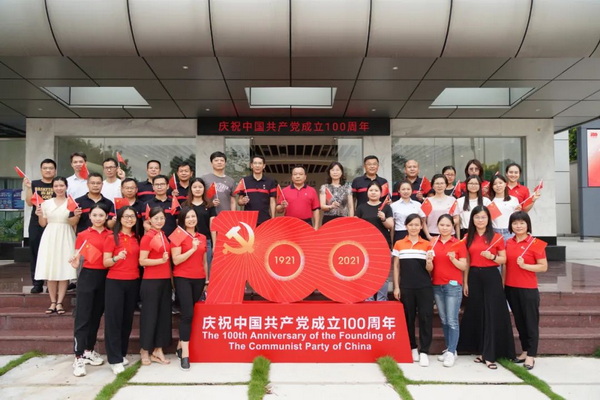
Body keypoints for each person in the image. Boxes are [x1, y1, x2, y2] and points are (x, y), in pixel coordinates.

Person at [458, 205, 515, 369]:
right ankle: (481, 350)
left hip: (491, 276)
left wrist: (492, 257)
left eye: (483, 217)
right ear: (472, 219)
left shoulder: (496, 237)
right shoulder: (468, 237)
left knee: (491, 313)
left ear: (489, 219)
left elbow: (504, 260)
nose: (480, 220)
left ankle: (490, 355)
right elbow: (467, 261)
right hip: (474, 276)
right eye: (477, 217)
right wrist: (465, 282)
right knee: (478, 313)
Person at [69, 203, 111, 377]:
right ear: (90, 217)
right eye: (95, 215)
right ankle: (78, 356)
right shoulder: (83, 235)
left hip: (106, 277)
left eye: (101, 215)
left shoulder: (111, 235)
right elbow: (77, 255)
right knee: (83, 316)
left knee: (96, 315)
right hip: (88, 276)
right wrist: (75, 261)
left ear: (106, 217)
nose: (98, 218)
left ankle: (89, 350)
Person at [505, 211, 548, 371]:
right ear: (511, 226)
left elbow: (543, 267)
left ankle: (531, 355)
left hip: (528, 288)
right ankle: (524, 350)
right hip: (510, 287)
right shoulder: (508, 242)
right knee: (519, 321)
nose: (518, 226)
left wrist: (525, 266)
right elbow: (505, 266)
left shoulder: (535, 243)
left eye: (522, 223)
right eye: (515, 223)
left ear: (527, 225)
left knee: (530, 322)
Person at [392, 213, 433, 367]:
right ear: (406, 226)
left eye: (417, 224)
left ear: (421, 226)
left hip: (424, 286)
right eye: (411, 225)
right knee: (408, 318)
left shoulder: (427, 244)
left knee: (425, 318)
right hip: (406, 286)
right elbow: (396, 266)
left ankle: (424, 351)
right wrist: (396, 286)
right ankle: (413, 347)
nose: (414, 227)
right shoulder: (399, 244)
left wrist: (429, 261)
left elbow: (430, 269)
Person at [103, 206, 140, 375]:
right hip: (115, 282)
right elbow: (105, 262)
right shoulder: (112, 237)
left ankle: (122, 353)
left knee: (127, 320)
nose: (129, 219)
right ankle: (114, 359)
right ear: (120, 219)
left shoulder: (137, 237)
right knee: (114, 321)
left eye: (132, 216)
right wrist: (116, 258)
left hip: (133, 281)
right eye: (126, 216)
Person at [171, 207, 208, 371]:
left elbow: (204, 261)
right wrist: (192, 249)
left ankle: (180, 346)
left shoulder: (202, 237)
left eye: (193, 216)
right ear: (182, 220)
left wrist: (206, 279)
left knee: (190, 312)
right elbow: (176, 260)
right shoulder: (177, 235)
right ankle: (185, 355)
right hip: (183, 278)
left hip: (199, 279)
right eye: (188, 217)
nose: (191, 219)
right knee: (187, 314)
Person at [34, 177, 77, 314]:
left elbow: (74, 223)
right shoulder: (46, 203)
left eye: (61, 185)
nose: (59, 188)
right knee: (51, 269)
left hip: (66, 235)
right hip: (50, 235)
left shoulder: (72, 203)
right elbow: (43, 223)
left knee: (64, 269)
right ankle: (52, 301)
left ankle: (60, 303)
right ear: (53, 187)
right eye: (56, 186)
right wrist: (39, 214)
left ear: (66, 187)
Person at [430, 214, 468, 367]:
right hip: (437, 285)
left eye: (447, 225)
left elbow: (463, 266)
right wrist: (428, 260)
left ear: (452, 227)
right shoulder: (433, 242)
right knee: (444, 319)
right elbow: (430, 266)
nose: (444, 228)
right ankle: (449, 349)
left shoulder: (458, 244)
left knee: (452, 320)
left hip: (453, 285)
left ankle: (452, 351)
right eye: (442, 225)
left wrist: (453, 259)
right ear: (437, 226)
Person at [138, 207, 172, 366]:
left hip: (165, 280)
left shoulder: (163, 235)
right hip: (151, 281)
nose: (159, 221)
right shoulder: (147, 237)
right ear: (149, 220)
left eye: (162, 218)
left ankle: (158, 350)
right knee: (149, 316)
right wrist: (160, 261)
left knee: (163, 316)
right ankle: (145, 349)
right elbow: (142, 261)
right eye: (156, 218)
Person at [356, 181, 393, 301]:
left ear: (381, 193)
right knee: (367, 273)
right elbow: (355, 225)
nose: (373, 193)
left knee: (383, 274)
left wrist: (383, 219)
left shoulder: (386, 207)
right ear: (367, 192)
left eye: (376, 190)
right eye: (371, 190)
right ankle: (369, 299)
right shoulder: (361, 207)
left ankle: (382, 299)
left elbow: (390, 225)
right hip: (365, 246)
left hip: (382, 245)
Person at [24, 158, 56, 293]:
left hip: (54, 222)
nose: (48, 170)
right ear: (41, 170)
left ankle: (51, 283)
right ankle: (37, 283)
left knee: (52, 253)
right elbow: (29, 203)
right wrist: (27, 188)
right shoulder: (34, 184)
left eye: (51, 168)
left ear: (55, 170)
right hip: (36, 222)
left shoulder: (58, 183)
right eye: (45, 168)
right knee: (35, 252)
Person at [183, 178, 216, 272]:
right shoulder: (185, 205)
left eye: (200, 187)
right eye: (195, 187)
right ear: (191, 189)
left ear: (204, 189)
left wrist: (214, 244)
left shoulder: (209, 205)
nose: (197, 189)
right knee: (191, 267)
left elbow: (213, 226)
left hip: (206, 241)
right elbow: (181, 225)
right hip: (188, 242)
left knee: (206, 268)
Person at [236, 155, 277, 226]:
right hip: (248, 220)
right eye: (255, 163)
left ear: (264, 166)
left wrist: (273, 218)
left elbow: (272, 202)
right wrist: (242, 201)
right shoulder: (244, 181)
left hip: (265, 219)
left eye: (260, 163)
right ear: (251, 165)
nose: (257, 165)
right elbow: (239, 202)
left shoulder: (270, 181)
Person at [422, 174, 459, 240]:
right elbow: (423, 221)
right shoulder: (427, 201)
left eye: (442, 183)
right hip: (432, 234)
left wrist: (446, 224)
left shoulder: (452, 200)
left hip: (449, 234)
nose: (439, 186)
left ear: (446, 185)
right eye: (437, 183)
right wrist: (428, 236)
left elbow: (456, 219)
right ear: (433, 186)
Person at [489, 175, 520, 241]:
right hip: (495, 232)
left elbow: (516, 217)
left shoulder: (513, 199)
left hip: (510, 232)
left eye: (500, 183)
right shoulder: (489, 201)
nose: (498, 185)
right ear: (492, 186)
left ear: (505, 184)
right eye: (495, 184)